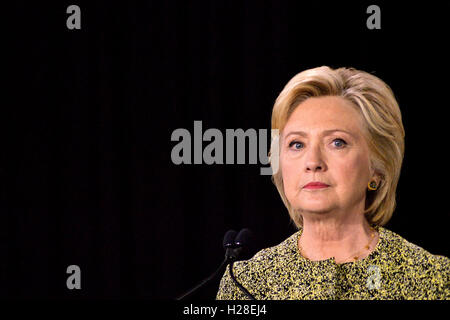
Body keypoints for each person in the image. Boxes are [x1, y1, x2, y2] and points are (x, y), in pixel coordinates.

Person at [216, 66, 449, 300]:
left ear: (376, 167)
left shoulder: (431, 278)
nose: (313, 162)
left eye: (337, 142)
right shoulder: (245, 284)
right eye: (297, 144)